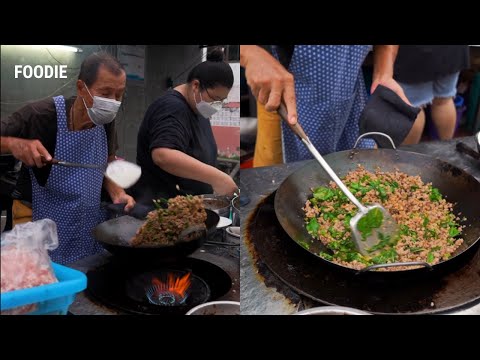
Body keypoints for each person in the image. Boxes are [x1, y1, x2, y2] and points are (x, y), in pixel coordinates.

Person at [1, 51, 135, 265]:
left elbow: (107, 163)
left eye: (119, 95)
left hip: (86, 221)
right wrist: (15, 144)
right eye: (105, 93)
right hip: (40, 219)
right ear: (81, 88)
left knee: (83, 279)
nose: (112, 102)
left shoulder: (104, 119)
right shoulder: (40, 115)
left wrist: (118, 192)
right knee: (41, 281)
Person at [240, 45, 413, 163]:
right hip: (282, 102)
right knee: (277, 192)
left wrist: (384, 70)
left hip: (349, 94)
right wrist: (250, 53)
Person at [132, 48, 238, 204]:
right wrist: (218, 178)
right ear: (195, 85)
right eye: (215, 98)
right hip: (163, 208)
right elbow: (163, 155)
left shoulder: (197, 107)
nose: (217, 105)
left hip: (191, 205)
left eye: (222, 100)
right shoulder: (172, 107)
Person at [393, 45, 470, 144]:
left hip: (414, 52)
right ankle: (447, 151)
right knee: (444, 100)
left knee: (412, 106)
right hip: (452, 50)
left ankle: (408, 157)